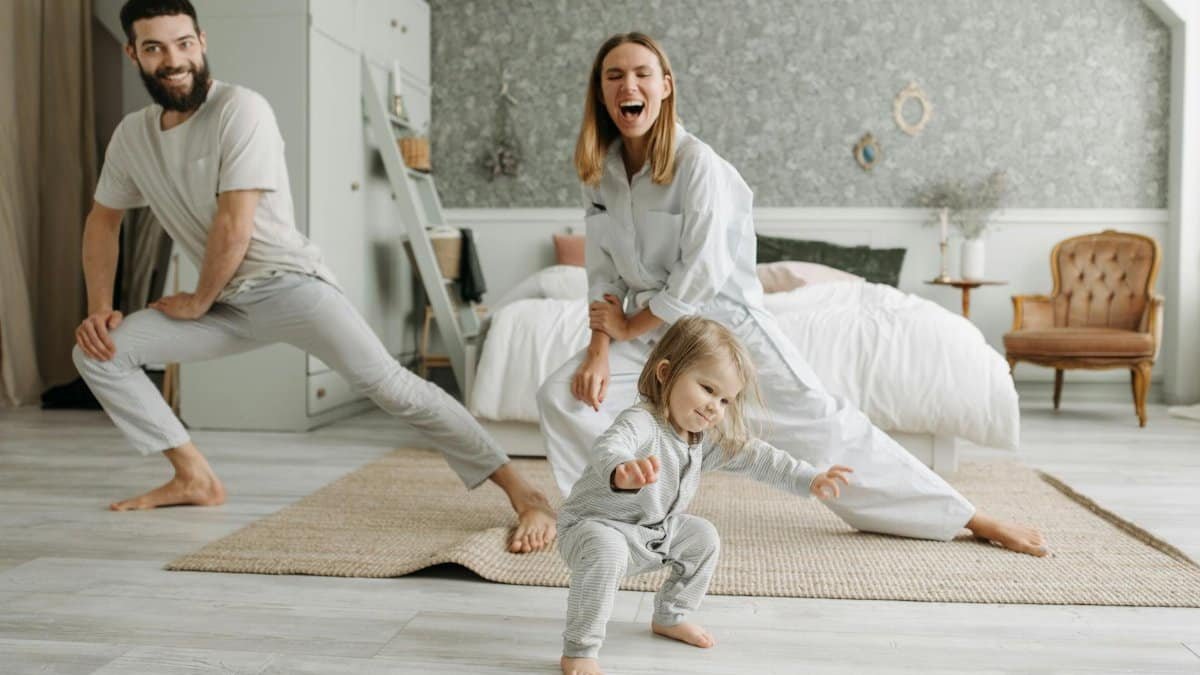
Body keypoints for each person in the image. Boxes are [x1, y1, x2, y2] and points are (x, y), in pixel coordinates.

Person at [537, 32, 1047, 557]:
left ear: (666, 87)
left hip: (721, 322)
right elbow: (602, 273)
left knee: (819, 421)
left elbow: (700, 273)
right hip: (645, 329)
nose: (629, 85)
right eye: (614, 76)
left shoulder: (698, 165)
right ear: (601, 94)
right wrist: (602, 345)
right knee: (566, 397)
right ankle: (615, 517)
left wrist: (630, 325)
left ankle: (965, 515)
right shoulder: (600, 173)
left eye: (642, 73)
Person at [72, 0, 555, 553]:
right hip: (222, 303)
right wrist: (99, 308)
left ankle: (524, 493)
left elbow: (235, 223)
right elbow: (102, 222)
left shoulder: (240, 109)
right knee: (98, 353)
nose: (173, 59)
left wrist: (197, 300)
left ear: (202, 42)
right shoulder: (133, 136)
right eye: (155, 47)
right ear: (133, 53)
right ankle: (194, 477)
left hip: (287, 286)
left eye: (183, 43)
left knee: (393, 389)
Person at [557, 316, 852, 675]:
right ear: (666, 373)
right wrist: (622, 470)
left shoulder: (700, 439)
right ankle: (580, 649)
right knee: (607, 549)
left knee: (702, 537)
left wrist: (809, 478)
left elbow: (757, 457)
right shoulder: (642, 422)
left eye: (726, 400)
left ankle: (671, 615)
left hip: (653, 533)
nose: (716, 407)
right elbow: (610, 445)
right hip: (593, 527)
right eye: (708, 390)